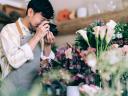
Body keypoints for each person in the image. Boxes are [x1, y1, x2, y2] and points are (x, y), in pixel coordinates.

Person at [0, 0, 55, 95]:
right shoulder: (8, 30)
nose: (43, 25)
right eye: (42, 20)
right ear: (30, 12)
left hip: (33, 92)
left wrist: (47, 46)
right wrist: (37, 37)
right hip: (10, 91)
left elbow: (46, 70)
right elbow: (14, 61)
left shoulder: (39, 33)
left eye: (46, 22)